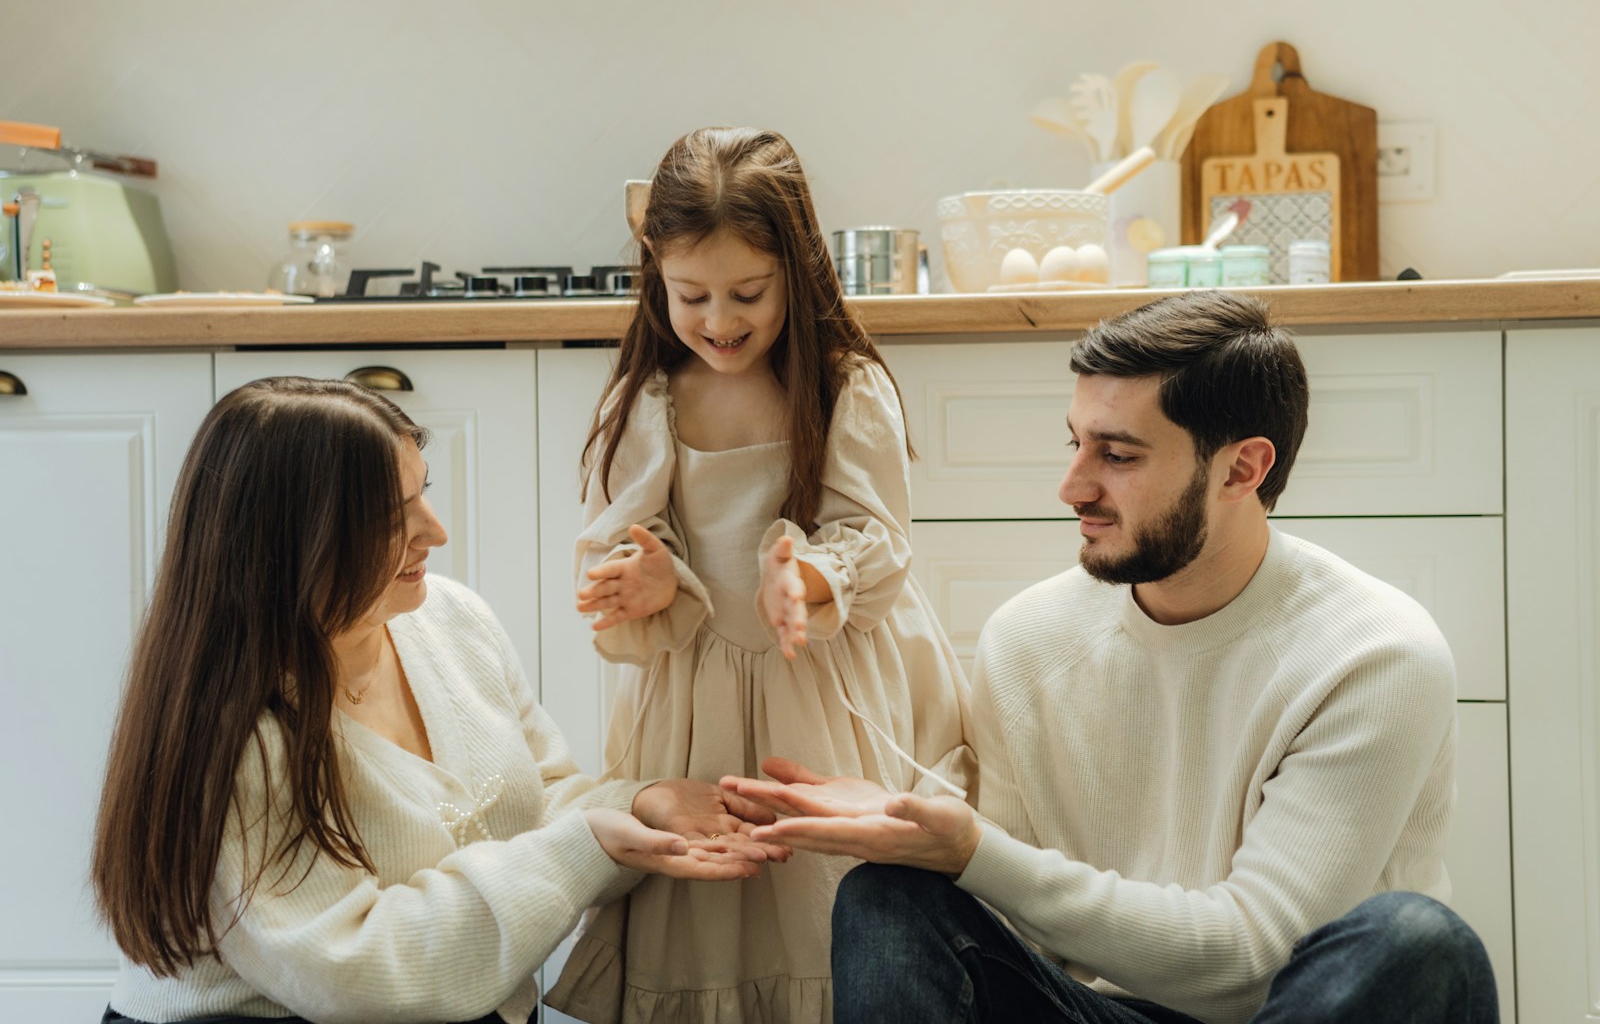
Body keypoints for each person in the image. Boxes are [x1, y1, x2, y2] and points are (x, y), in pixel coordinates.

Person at [724, 291, 1501, 1023]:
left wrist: (971, 848)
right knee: (887, 897)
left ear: (1242, 468)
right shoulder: (1027, 639)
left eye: (1118, 456)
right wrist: (928, 841)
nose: (1072, 485)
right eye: (1077, 443)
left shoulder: (1374, 655)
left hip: (1284, 1010)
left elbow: (1251, 954)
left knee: (1417, 939)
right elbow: (1021, 932)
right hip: (1099, 1008)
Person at [91, 376, 779, 1024]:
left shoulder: (451, 619)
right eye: (393, 516)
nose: (436, 530)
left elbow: (540, 799)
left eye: (424, 492)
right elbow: (360, 969)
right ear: (292, 544)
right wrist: (587, 845)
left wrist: (634, 803)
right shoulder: (242, 738)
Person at [543, 127, 974, 1023]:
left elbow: (875, 537)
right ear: (654, 275)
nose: (719, 320)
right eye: (690, 294)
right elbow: (622, 550)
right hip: (693, 700)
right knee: (705, 909)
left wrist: (808, 581)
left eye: (748, 292)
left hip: (828, 688)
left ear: (799, 270)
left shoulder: (845, 387)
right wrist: (651, 581)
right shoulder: (647, 401)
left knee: (826, 900)